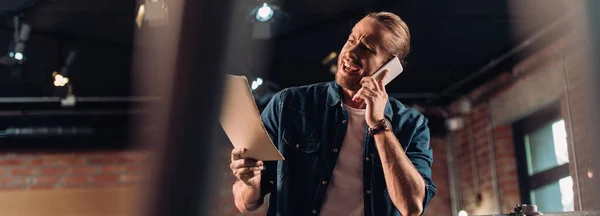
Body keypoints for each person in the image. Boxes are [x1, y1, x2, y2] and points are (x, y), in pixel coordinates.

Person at [229, 11, 435, 216]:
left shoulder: (413, 125)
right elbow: (245, 203)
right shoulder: (288, 104)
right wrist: (250, 182)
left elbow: (412, 206)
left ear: (388, 67)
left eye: (367, 48)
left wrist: (379, 124)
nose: (351, 52)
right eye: (352, 39)